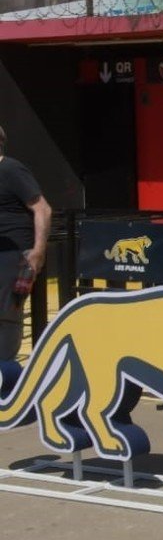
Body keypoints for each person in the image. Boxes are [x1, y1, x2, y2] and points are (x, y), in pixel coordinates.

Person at [0, 126, 51, 364]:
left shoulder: (11, 169)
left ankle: (5, 373)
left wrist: (38, 251)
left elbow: (42, 208)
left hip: (14, 253)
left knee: (6, 314)